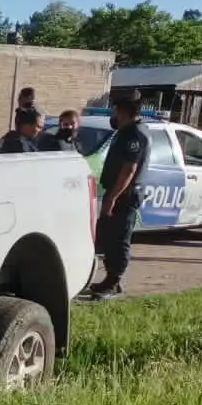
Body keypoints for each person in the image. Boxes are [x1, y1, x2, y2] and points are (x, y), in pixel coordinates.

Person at [87, 90, 150, 300]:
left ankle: (114, 282)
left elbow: (129, 170)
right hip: (117, 193)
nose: (113, 114)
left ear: (122, 111)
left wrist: (112, 197)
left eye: (114, 109)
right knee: (109, 236)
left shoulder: (135, 134)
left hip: (125, 195)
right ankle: (110, 278)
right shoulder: (125, 132)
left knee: (119, 238)